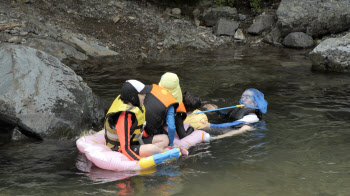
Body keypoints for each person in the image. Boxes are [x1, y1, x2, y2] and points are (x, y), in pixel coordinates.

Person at [104, 80, 169, 161]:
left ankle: (158, 151)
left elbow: (138, 130)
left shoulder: (135, 107)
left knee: (165, 138)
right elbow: (125, 149)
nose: (145, 95)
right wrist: (139, 161)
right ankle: (165, 153)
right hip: (119, 148)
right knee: (152, 149)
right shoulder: (124, 117)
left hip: (134, 141)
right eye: (142, 94)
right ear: (133, 97)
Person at [202, 88, 268, 129]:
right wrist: (216, 110)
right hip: (223, 125)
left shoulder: (252, 117)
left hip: (231, 130)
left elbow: (234, 124)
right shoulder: (240, 109)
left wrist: (211, 126)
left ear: (255, 103)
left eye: (247, 97)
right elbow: (227, 115)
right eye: (242, 96)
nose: (243, 99)